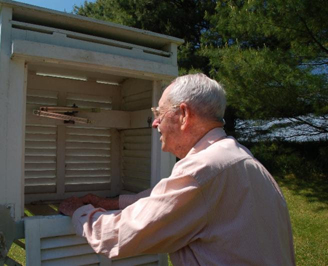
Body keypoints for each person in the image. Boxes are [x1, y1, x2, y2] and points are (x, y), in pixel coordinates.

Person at [59, 73, 295, 265]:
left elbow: (118, 237)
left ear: (183, 115)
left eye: (158, 113)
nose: (154, 123)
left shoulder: (202, 169)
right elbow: (171, 200)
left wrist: (79, 211)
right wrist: (112, 203)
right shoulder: (241, 160)